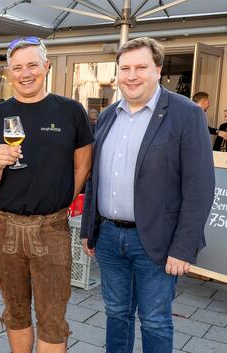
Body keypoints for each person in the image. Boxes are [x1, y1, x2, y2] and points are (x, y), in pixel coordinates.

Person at [81, 37, 215, 353]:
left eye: (140, 67)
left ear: (157, 70)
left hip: (156, 241)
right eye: (124, 68)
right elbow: (94, 178)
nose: (131, 75)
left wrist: (183, 248)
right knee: (116, 313)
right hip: (110, 239)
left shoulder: (185, 114)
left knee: (154, 320)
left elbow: (199, 188)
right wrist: (90, 230)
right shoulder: (108, 115)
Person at [0, 36, 93, 353]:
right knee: (14, 313)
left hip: (51, 229)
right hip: (4, 229)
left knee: (53, 319)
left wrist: (64, 200)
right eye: (17, 68)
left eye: (31, 65)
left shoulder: (71, 111)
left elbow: (83, 164)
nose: (25, 73)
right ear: (8, 73)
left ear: (46, 67)